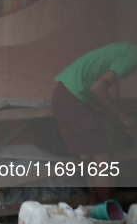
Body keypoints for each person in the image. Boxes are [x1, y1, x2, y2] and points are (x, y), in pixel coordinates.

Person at [52, 42, 137, 205]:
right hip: (71, 96)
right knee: (101, 156)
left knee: (94, 156)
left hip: (68, 94)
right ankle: (108, 210)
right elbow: (98, 88)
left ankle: (94, 205)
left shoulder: (126, 50)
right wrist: (122, 116)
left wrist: (119, 117)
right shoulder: (132, 56)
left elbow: (96, 90)